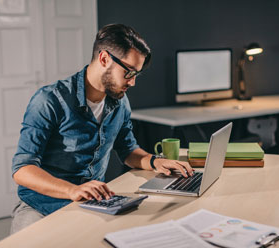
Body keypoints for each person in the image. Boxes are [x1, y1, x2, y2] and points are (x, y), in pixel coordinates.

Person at [10, 23, 193, 234]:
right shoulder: (49, 100)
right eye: (129, 72)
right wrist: (73, 190)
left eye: (137, 74)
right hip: (40, 206)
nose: (132, 83)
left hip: (92, 203)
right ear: (104, 59)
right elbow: (22, 170)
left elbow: (128, 150)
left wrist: (155, 161)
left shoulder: (119, 102)